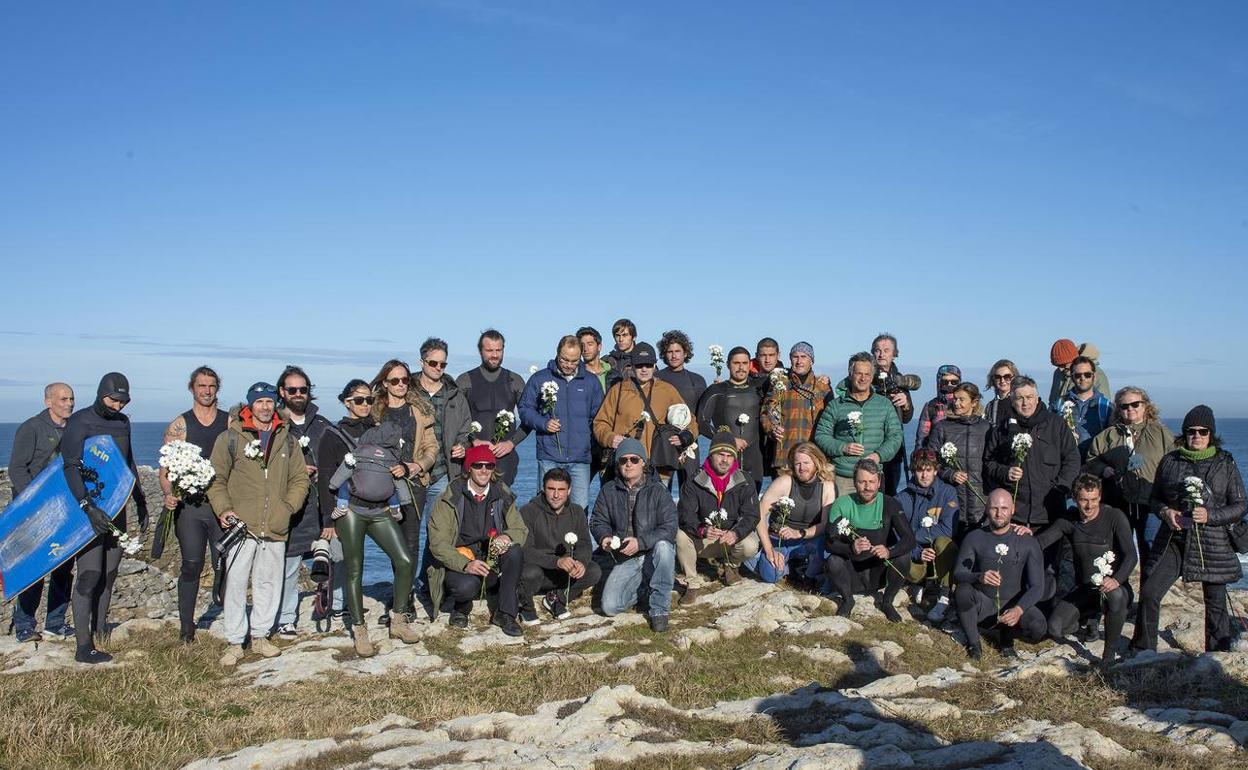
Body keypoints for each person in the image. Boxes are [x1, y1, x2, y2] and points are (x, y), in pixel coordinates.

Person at [207, 382, 310, 667]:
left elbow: (300, 478)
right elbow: (216, 479)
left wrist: (288, 507)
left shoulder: (287, 438)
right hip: (241, 525)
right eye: (259, 402)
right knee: (236, 583)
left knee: (269, 582)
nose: (265, 407)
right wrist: (224, 509)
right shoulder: (230, 438)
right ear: (249, 406)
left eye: (269, 402)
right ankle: (234, 640)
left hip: (275, 523)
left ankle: (261, 635)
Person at [315, 380, 420, 656]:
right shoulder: (333, 434)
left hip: (381, 509)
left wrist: (400, 470)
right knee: (354, 568)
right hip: (350, 510)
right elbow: (326, 478)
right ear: (346, 402)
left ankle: (398, 620)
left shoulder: (380, 431)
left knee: (405, 560)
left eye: (369, 400)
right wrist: (328, 521)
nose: (365, 405)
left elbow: (394, 464)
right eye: (359, 400)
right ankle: (359, 630)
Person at [1132, 405, 1246, 654]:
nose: (1197, 436)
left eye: (1203, 431)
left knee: (1215, 604)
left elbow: (1240, 506)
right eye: (1191, 431)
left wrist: (1210, 515)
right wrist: (1165, 512)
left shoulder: (1224, 462)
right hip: (1175, 539)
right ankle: (1144, 651)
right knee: (1150, 592)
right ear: (1184, 434)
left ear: (1211, 434)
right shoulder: (1170, 461)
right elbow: (1155, 498)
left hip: (1213, 541)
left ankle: (1217, 658)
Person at [61, 372, 148, 664]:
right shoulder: (80, 421)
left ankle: (100, 631)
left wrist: (140, 500)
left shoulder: (123, 422)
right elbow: (71, 466)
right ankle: (83, 646)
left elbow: (128, 463)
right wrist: (87, 506)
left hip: (116, 508)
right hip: (88, 510)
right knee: (90, 575)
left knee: (110, 572)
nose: (118, 406)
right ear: (101, 394)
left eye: (124, 401)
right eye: (113, 400)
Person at [1030, 475, 1136, 669]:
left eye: (1094, 499)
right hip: (1085, 589)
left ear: (1100, 496)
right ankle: (1089, 616)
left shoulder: (1114, 517)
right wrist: (1019, 537)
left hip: (1113, 586)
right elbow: (1040, 543)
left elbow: (1131, 555)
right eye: (1084, 500)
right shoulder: (1069, 521)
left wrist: (1117, 580)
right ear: (1074, 498)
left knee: (1116, 596)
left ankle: (1109, 654)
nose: (1089, 506)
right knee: (1055, 628)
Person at [426, 445, 528, 637]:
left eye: (489, 466)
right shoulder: (449, 498)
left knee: (514, 551)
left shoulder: (502, 494)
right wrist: (466, 565)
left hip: (492, 557)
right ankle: (461, 608)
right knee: (465, 587)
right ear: (468, 468)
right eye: (478, 465)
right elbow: (437, 544)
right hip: (460, 560)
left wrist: (508, 536)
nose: (484, 470)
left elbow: (520, 529)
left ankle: (505, 614)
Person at [159, 367, 229, 644]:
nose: (207, 391)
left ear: (217, 389)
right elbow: (165, 469)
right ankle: (186, 628)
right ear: (192, 388)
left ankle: (224, 608)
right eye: (202, 385)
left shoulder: (228, 421)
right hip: (190, 506)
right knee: (191, 564)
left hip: (221, 504)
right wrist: (168, 493)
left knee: (223, 561)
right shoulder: (180, 425)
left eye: (212, 386)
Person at [370, 359, 439, 619]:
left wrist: (417, 466)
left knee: (409, 542)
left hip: (413, 484)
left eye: (405, 380)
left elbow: (432, 447)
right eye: (394, 380)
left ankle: (405, 601)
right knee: (392, 542)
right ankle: (400, 592)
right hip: (382, 485)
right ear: (385, 383)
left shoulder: (419, 410)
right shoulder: (375, 413)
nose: (401, 385)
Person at [273, 365, 337, 638]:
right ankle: (287, 617)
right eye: (292, 390)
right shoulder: (274, 425)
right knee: (289, 562)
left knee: (334, 557)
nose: (298, 394)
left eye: (303, 389)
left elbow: (337, 459)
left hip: (323, 502)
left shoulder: (322, 424)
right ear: (282, 392)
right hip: (290, 504)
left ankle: (336, 606)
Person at [9, 382, 75, 643]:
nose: (69, 403)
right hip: (35, 513)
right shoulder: (31, 427)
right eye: (63, 399)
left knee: (62, 568)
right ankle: (24, 625)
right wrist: (35, 502)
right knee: (34, 569)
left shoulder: (74, 428)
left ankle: (55, 623)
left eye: (71, 398)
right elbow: (17, 469)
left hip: (66, 511)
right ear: (48, 401)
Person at [591, 438, 678, 632]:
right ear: (617, 464)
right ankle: (647, 588)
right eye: (623, 460)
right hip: (626, 557)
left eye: (634, 459)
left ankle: (659, 610)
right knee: (610, 607)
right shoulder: (608, 490)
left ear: (643, 463)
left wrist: (640, 543)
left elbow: (670, 527)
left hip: (653, 552)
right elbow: (598, 521)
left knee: (664, 547)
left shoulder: (658, 491)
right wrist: (604, 537)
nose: (628, 464)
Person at [1084, 387, 1175, 570]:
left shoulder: (1161, 434)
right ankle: (1121, 596)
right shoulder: (1107, 437)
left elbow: (1174, 465)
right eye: (1124, 406)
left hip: (1151, 503)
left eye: (1135, 404)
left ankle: (1148, 598)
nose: (1130, 409)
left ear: (1145, 406)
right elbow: (1091, 462)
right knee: (1119, 552)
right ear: (1118, 409)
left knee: (1151, 550)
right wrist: (1104, 469)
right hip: (1120, 503)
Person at [953, 489, 1048, 659]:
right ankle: (974, 644)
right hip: (985, 606)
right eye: (994, 508)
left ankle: (1007, 638)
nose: (999, 514)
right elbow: (958, 574)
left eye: (1004, 508)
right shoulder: (974, 537)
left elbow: (1037, 586)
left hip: (1013, 607)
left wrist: (1019, 610)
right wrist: (979, 576)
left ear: (1013, 510)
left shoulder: (1027, 542)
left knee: (1038, 627)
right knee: (962, 591)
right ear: (986, 509)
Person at [983, 376, 1080, 532]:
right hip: (1015, 515)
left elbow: (1072, 459)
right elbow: (989, 463)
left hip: (1049, 511)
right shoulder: (1002, 429)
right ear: (1012, 401)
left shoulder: (1056, 424)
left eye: (1029, 397)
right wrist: (1005, 472)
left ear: (1037, 398)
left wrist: (1060, 487)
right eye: (1019, 398)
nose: (1025, 403)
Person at [823, 459, 914, 622]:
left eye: (872, 482)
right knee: (833, 561)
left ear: (879, 482)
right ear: (854, 482)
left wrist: (889, 551)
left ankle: (887, 602)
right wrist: (851, 548)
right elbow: (829, 543)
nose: (867, 487)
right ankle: (847, 600)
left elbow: (909, 540)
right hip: (852, 573)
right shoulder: (841, 504)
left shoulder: (890, 503)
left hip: (877, 572)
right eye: (862, 482)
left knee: (903, 557)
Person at [519, 335, 604, 509]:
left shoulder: (591, 382)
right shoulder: (540, 378)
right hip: (549, 455)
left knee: (579, 510)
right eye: (564, 359)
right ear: (557, 353)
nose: (568, 365)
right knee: (546, 508)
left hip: (580, 458)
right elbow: (525, 409)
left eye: (574, 361)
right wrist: (544, 423)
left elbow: (599, 417)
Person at [415, 338, 474, 588]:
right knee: (407, 534)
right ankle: (406, 584)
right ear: (422, 362)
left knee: (436, 533)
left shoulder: (455, 395)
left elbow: (466, 428)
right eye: (433, 363)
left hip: (443, 471)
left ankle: (428, 581)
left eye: (442, 363)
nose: (438, 368)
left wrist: (464, 444)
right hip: (412, 473)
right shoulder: (406, 391)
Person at [675, 430, 761, 601]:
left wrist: (736, 533)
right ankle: (692, 583)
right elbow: (685, 514)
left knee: (751, 544)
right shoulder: (694, 480)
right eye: (720, 454)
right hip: (703, 539)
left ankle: (730, 567)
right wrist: (702, 529)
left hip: (730, 539)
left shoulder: (745, 480)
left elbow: (751, 515)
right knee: (680, 536)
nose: (724, 460)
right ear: (711, 454)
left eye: (729, 455)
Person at [593, 342, 696, 483]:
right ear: (632, 366)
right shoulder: (618, 390)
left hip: (657, 468)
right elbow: (600, 423)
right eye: (639, 365)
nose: (644, 369)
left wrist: (685, 436)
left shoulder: (667, 390)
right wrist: (610, 438)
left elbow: (689, 418)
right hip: (625, 465)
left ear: (654, 366)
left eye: (648, 365)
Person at [517, 468, 601, 624]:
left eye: (561, 489)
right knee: (529, 573)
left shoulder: (576, 512)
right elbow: (526, 551)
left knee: (593, 570)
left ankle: (557, 598)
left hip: (563, 573)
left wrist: (581, 562)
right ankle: (525, 606)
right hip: (539, 571)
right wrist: (556, 562)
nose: (556, 495)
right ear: (544, 489)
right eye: (551, 489)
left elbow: (584, 544)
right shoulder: (528, 511)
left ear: (569, 490)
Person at [814, 352, 903, 497]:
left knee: (872, 519)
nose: (863, 378)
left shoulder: (884, 405)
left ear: (872, 376)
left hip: (872, 477)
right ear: (850, 375)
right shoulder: (835, 406)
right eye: (859, 373)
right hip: (843, 477)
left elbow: (895, 436)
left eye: (867, 374)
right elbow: (821, 436)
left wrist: (878, 455)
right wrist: (843, 447)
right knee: (840, 519)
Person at [749, 442, 836, 587]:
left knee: (820, 549)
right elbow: (759, 515)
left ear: (817, 462)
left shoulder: (827, 486)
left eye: (806, 463)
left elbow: (824, 524)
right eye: (797, 463)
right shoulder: (784, 482)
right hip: (779, 540)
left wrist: (799, 533)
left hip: (809, 540)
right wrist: (770, 550)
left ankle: (805, 571)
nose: (802, 468)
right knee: (771, 576)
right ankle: (783, 567)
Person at [456, 329, 530, 486]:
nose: (495, 355)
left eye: (498, 350)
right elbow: (456, 420)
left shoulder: (514, 381)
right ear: (480, 351)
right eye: (489, 350)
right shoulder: (465, 381)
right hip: (474, 456)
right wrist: (473, 440)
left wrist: (511, 443)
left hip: (504, 458)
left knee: (502, 505)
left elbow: (529, 420)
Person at [896, 449, 959, 622]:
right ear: (913, 471)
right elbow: (899, 534)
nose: (924, 475)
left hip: (939, 556)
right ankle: (917, 584)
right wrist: (917, 552)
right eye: (919, 470)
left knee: (944, 542)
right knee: (902, 558)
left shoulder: (948, 493)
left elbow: (948, 530)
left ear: (936, 470)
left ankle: (944, 594)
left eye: (928, 470)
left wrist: (914, 535)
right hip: (917, 556)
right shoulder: (903, 498)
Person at [760, 342, 832, 476]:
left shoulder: (823, 388)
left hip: (813, 459)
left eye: (803, 356)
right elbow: (765, 413)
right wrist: (771, 429)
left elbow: (832, 421)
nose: (799, 361)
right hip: (784, 459)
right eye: (795, 357)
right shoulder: (779, 383)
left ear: (812, 360)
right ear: (790, 359)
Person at [696, 347, 765, 485]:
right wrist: (729, 439)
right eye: (736, 363)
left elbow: (783, 376)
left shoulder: (759, 387)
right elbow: (701, 423)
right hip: (724, 457)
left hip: (755, 459)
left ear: (749, 364)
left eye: (744, 363)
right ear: (728, 364)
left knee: (752, 503)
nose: (741, 367)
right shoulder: (716, 390)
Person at [928, 383, 990, 533]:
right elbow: (930, 460)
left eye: (962, 399)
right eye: (955, 399)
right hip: (952, 500)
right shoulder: (942, 427)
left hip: (981, 501)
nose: (956, 403)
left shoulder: (986, 428)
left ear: (974, 402)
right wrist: (950, 474)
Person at [657, 329, 708, 485]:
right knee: (661, 489)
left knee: (691, 488)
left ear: (685, 353)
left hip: (690, 441)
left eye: (678, 351)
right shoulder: (657, 379)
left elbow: (702, 416)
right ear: (664, 354)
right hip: (665, 442)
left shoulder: (697, 380)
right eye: (669, 351)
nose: (674, 355)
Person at [871, 333, 915, 496]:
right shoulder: (866, 378)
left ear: (894, 354)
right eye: (877, 350)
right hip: (871, 443)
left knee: (889, 493)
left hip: (893, 449)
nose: (881, 354)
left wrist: (906, 403)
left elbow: (907, 418)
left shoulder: (900, 381)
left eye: (886, 350)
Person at [1056, 356, 1112, 460]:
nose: (1083, 378)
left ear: (1094, 376)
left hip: (1094, 466)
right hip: (1065, 463)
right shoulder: (1059, 404)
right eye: (1078, 375)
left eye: (1087, 374)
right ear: (1072, 377)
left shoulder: (1105, 406)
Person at [577, 325, 613, 482]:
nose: (585, 349)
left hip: (608, 442)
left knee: (611, 492)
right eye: (581, 345)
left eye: (590, 344)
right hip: (584, 443)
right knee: (579, 493)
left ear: (599, 346)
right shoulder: (574, 376)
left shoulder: (614, 374)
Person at [1048, 339, 1111, 411]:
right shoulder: (1058, 373)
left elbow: (1104, 406)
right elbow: (1052, 402)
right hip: (1059, 419)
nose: (1061, 369)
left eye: (1064, 365)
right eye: (1058, 365)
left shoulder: (1098, 374)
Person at [915, 365, 961, 448]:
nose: (949, 385)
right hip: (935, 456)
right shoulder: (931, 406)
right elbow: (922, 438)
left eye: (954, 382)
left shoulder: (965, 405)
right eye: (945, 382)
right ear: (939, 382)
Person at [601, 318, 639, 385]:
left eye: (625, 335)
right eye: (617, 335)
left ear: (634, 337)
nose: (621, 339)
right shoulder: (607, 361)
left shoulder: (643, 360)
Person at [983, 360, 1018, 428]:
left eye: (1007, 377)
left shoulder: (1020, 402)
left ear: (1014, 378)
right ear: (993, 379)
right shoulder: (990, 406)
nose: (1002, 380)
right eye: (998, 377)